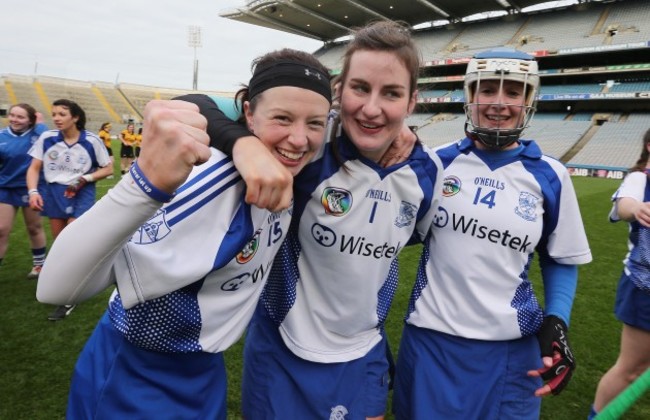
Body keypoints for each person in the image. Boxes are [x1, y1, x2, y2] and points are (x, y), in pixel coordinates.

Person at [36, 48, 332, 419]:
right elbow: (56, 289)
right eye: (283, 118)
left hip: (205, 369)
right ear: (249, 115)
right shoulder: (212, 185)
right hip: (138, 376)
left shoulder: (301, 168)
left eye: (315, 123)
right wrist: (144, 188)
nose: (300, 139)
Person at [200, 21, 444, 419]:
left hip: (365, 355)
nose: (371, 108)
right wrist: (243, 144)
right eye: (360, 88)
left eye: (392, 94)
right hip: (282, 347)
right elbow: (193, 104)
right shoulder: (308, 148)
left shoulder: (428, 172)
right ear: (339, 91)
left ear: (412, 102)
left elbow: (412, 236)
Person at [391, 48, 593, 419]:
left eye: (514, 92)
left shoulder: (550, 176)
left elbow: (560, 257)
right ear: (470, 96)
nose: (499, 103)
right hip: (431, 344)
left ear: (529, 100)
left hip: (511, 354)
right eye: (487, 90)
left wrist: (557, 319)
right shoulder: (436, 162)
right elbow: (389, 239)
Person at [26, 99, 113, 321]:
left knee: (71, 239)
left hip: (81, 192)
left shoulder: (91, 140)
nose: (56, 118)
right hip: (53, 192)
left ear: (75, 117)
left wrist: (86, 177)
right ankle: (67, 281)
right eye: (54, 114)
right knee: (60, 243)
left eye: (62, 114)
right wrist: (34, 191)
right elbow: (34, 168)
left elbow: (108, 168)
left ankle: (70, 296)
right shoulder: (47, 139)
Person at [588, 129, 650, 419]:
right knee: (632, 369)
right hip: (644, 286)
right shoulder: (640, 178)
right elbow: (624, 205)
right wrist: (637, 208)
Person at [0, 103, 48, 277]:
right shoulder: (2, 135)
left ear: (31, 120)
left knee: (34, 227)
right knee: (1, 229)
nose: (14, 119)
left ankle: (39, 265)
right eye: (12, 115)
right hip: (5, 187)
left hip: (32, 188)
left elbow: (50, 141)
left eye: (20, 117)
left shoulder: (38, 134)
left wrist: (41, 123)